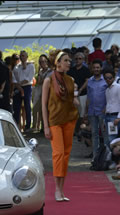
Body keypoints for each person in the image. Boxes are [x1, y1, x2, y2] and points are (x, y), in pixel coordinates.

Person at [41, 50, 79, 202]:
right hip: (54, 121)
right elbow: (43, 105)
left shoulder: (71, 80)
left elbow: (73, 101)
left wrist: (78, 102)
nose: (69, 63)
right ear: (57, 63)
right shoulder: (48, 81)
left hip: (70, 119)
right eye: (66, 60)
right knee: (58, 154)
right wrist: (45, 126)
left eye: (69, 60)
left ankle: (62, 190)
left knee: (66, 155)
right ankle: (57, 189)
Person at [85, 59, 108, 159]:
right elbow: (88, 97)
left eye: (98, 67)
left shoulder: (106, 81)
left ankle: (107, 157)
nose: (96, 69)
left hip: (103, 111)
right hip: (92, 111)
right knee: (94, 135)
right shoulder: (90, 81)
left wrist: (107, 108)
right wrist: (86, 112)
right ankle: (96, 157)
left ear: (101, 68)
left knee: (105, 134)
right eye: (94, 67)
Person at [12, 50, 35, 132]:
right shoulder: (17, 67)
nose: (22, 57)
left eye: (24, 56)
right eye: (21, 56)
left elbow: (29, 78)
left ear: (27, 57)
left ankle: (28, 126)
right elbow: (13, 78)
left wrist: (20, 83)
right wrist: (18, 86)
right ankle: (16, 125)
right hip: (18, 87)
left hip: (27, 87)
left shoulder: (31, 66)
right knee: (16, 107)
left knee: (27, 106)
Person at [32, 55, 52, 132]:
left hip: (47, 93)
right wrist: (40, 73)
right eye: (40, 62)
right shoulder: (40, 72)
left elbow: (45, 82)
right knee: (36, 109)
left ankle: (44, 128)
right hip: (39, 92)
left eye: (44, 61)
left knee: (45, 110)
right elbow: (39, 81)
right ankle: (35, 127)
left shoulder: (50, 71)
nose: (42, 63)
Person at [103, 68, 120, 143]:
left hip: (114, 117)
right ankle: (109, 155)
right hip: (108, 116)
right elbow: (108, 104)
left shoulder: (118, 87)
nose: (108, 79)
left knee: (111, 139)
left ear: (113, 77)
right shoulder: (107, 90)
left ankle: (111, 155)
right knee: (107, 139)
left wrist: (118, 118)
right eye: (106, 78)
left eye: (110, 78)